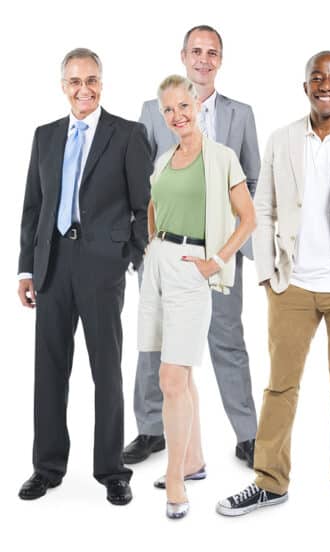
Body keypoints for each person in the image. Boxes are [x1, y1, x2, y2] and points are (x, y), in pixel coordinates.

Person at [216, 51, 330, 522]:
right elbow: (262, 209)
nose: (326, 84)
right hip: (291, 284)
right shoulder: (282, 139)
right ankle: (269, 481)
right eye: (317, 78)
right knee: (280, 386)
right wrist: (265, 274)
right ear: (305, 87)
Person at [17, 48, 150, 505]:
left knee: (105, 371)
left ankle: (112, 469)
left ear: (102, 83)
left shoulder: (127, 134)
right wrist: (26, 268)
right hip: (52, 265)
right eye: (75, 81)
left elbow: (143, 207)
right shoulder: (45, 136)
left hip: (101, 268)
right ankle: (47, 467)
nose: (84, 89)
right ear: (63, 86)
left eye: (91, 80)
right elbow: (33, 207)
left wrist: (127, 256)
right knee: (49, 370)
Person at [126, 24, 261, 468]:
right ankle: (150, 429)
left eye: (213, 53)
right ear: (183, 55)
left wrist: (234, 246)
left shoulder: (240, 114)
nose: (204, 59)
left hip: (218, 252)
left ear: (220, 60)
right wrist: (146, 246)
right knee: (155, 342)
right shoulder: (153, 109)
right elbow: (141, 181)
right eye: (196, 51)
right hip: (165, 252)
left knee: (228, 341)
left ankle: (247, 436)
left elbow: (252, 181)